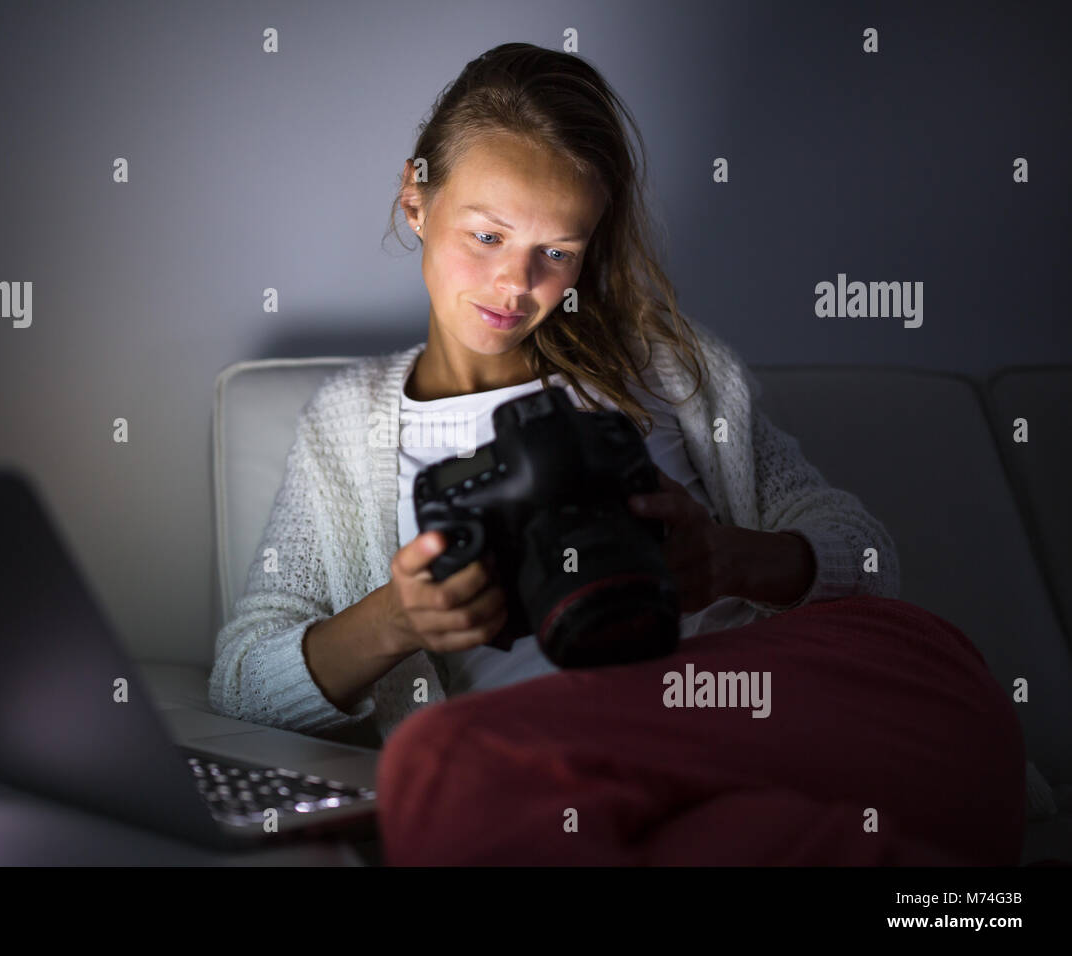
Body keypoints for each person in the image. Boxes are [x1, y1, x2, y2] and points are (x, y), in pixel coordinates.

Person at [209, 43, 1026, 865]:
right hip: (570, 774)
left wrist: (729, 560)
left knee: (454, 769)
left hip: (820, 702)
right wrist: (396, 617)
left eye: (556, 253)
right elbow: (243, 679)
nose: (513, 284)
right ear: (416, 202)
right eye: (487, 235)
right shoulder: (347, 430)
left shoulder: (668, 372)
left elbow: (871, 557)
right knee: (473, 776)